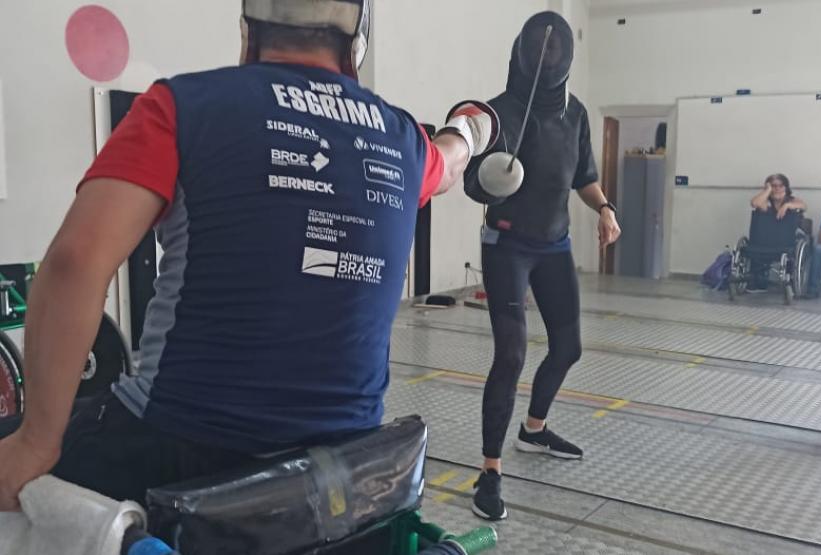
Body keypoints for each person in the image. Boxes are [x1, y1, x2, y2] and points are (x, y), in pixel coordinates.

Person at [0, 0, 499, 511]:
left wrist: (36, 442)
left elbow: (74, 264)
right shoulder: (403, 141)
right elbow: (452, 160)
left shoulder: (181, 106)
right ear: (356, 47)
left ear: (248, 35)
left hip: (177, 452)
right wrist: (470, 127)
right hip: (339, 477)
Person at [461, 11, 622, 522]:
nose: (547, 57)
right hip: (507, 246)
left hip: (554, 245)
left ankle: (533, 429)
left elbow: (585, 176)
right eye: (541, 51)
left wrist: (605, 208)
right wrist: (489, 181)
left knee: (568, 347)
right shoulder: (499, 111)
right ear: (524, 53)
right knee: (510, 356)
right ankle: (490, 471)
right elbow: (471, 182)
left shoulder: (576, 114)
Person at [745, 173, 807, 293]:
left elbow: (804, 206)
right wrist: (767, 190)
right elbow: (754, 203)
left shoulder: (792, 200)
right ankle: (758, 282)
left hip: (785, 241)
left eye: (780, 185)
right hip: (763, 241)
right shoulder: (765, 202)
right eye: (773, 186)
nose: (777, 188)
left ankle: (790, 282)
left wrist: (787, 206)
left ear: (786, 187)